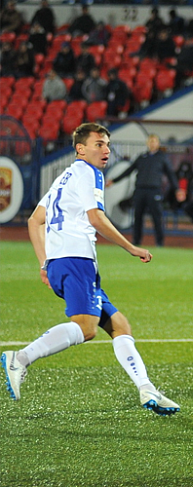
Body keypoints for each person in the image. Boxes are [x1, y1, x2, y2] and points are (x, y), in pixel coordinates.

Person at [3, 123, 179, 416]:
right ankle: (19, 358)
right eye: (99, 144)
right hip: (76, 260)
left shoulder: (63, 178)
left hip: (63, 262)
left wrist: (44, 263)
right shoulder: (88, 172)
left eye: (107, 144)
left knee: (119, 325)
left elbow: (34, 221)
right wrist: (131, 247)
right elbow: (96, 217)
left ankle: (147, 388)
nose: (106, 149)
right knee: (86, 328)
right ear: (80, 149)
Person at [110, 134, 177, 246]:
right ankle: (136, 242)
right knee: (137, 217)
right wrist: (114, 180)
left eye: (154, 141)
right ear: (147, 143)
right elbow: (129, 171)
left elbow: (171, 175)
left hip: (154, 191)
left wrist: (177, 189)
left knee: (156, 218)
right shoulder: (142, 157)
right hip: (140, 190)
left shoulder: (162, 158)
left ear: (158, 143)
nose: (152, 143)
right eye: (150, 141)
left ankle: (159, 242)